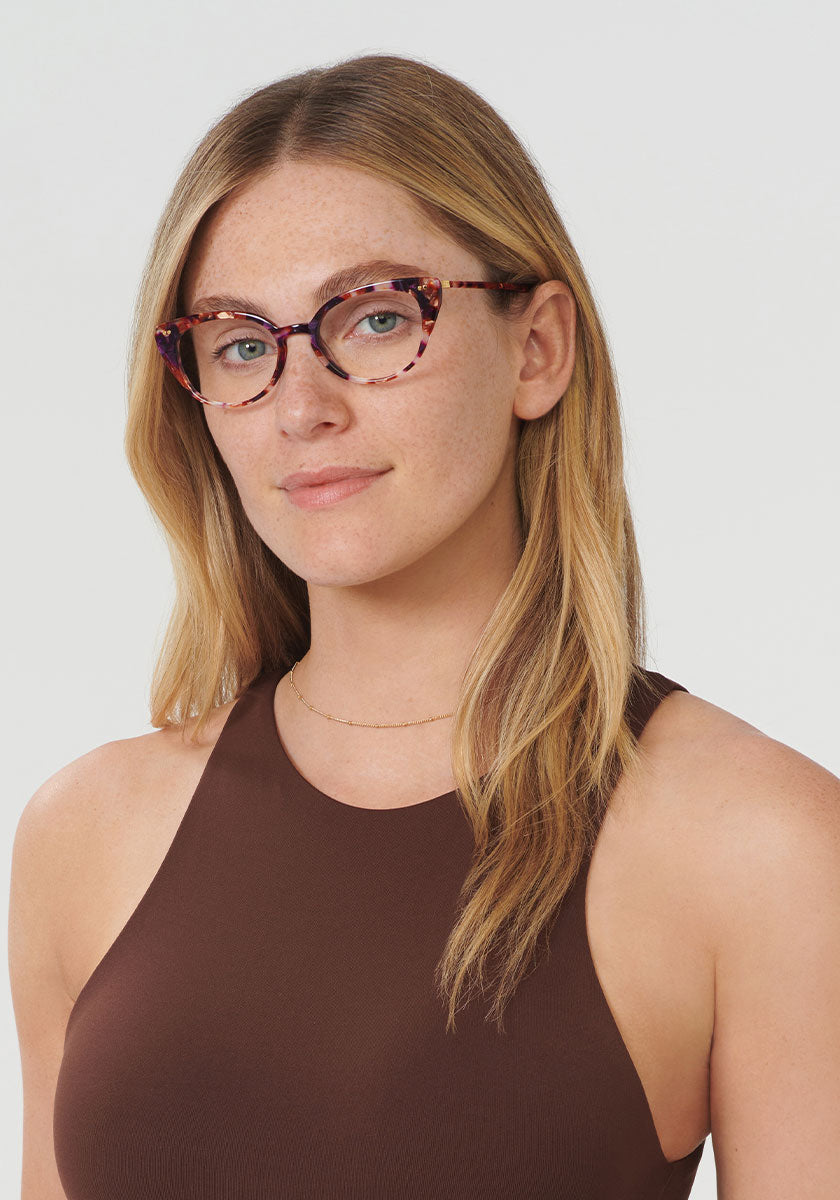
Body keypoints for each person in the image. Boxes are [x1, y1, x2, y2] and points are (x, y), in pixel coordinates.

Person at [10, 52, 840, 1200]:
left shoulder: (757, 842)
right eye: (243, 344)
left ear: (537, 350)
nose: (303, 406)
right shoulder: (85, 836)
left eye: (375, 317)